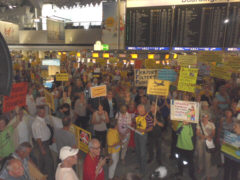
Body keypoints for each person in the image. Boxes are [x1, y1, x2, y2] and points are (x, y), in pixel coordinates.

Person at [31, 106, 54, 180]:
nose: (43, 113)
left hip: (45, 143)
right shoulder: (37, 124)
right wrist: (42, 149)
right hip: (42, 144)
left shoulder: (41, 119)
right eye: (41, 112)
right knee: (49, 163)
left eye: (44, 112)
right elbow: (38, 138)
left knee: (42, 160)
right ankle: (50, 177)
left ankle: (41, 175)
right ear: (38, 113)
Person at [133, 104, 153, 177]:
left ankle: (143, 171)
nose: (139, 112)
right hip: (136, 134)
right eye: (138, 111)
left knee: (143, 153)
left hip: (143, 135)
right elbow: (135, 122)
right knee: (137, 150)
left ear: (144, 110)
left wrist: (144, 130)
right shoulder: (136, 114)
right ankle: (139, 164)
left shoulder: (148, 117)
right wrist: (135, 127)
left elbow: (151, 128)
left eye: (141, 111)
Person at [196, 113, 217, 179]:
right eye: (203, 117)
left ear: (208, 117)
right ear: (202, 117)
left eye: (206, 117)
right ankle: (200, 167)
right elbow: (197, 132)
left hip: (209, 141)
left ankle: (208, 173)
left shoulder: (212, 124)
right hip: (200, 141)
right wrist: (203, 136)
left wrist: (210, 137)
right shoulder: (199, 124)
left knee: (208, 157)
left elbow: (213, 133)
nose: (205, 118)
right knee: (200, 155)